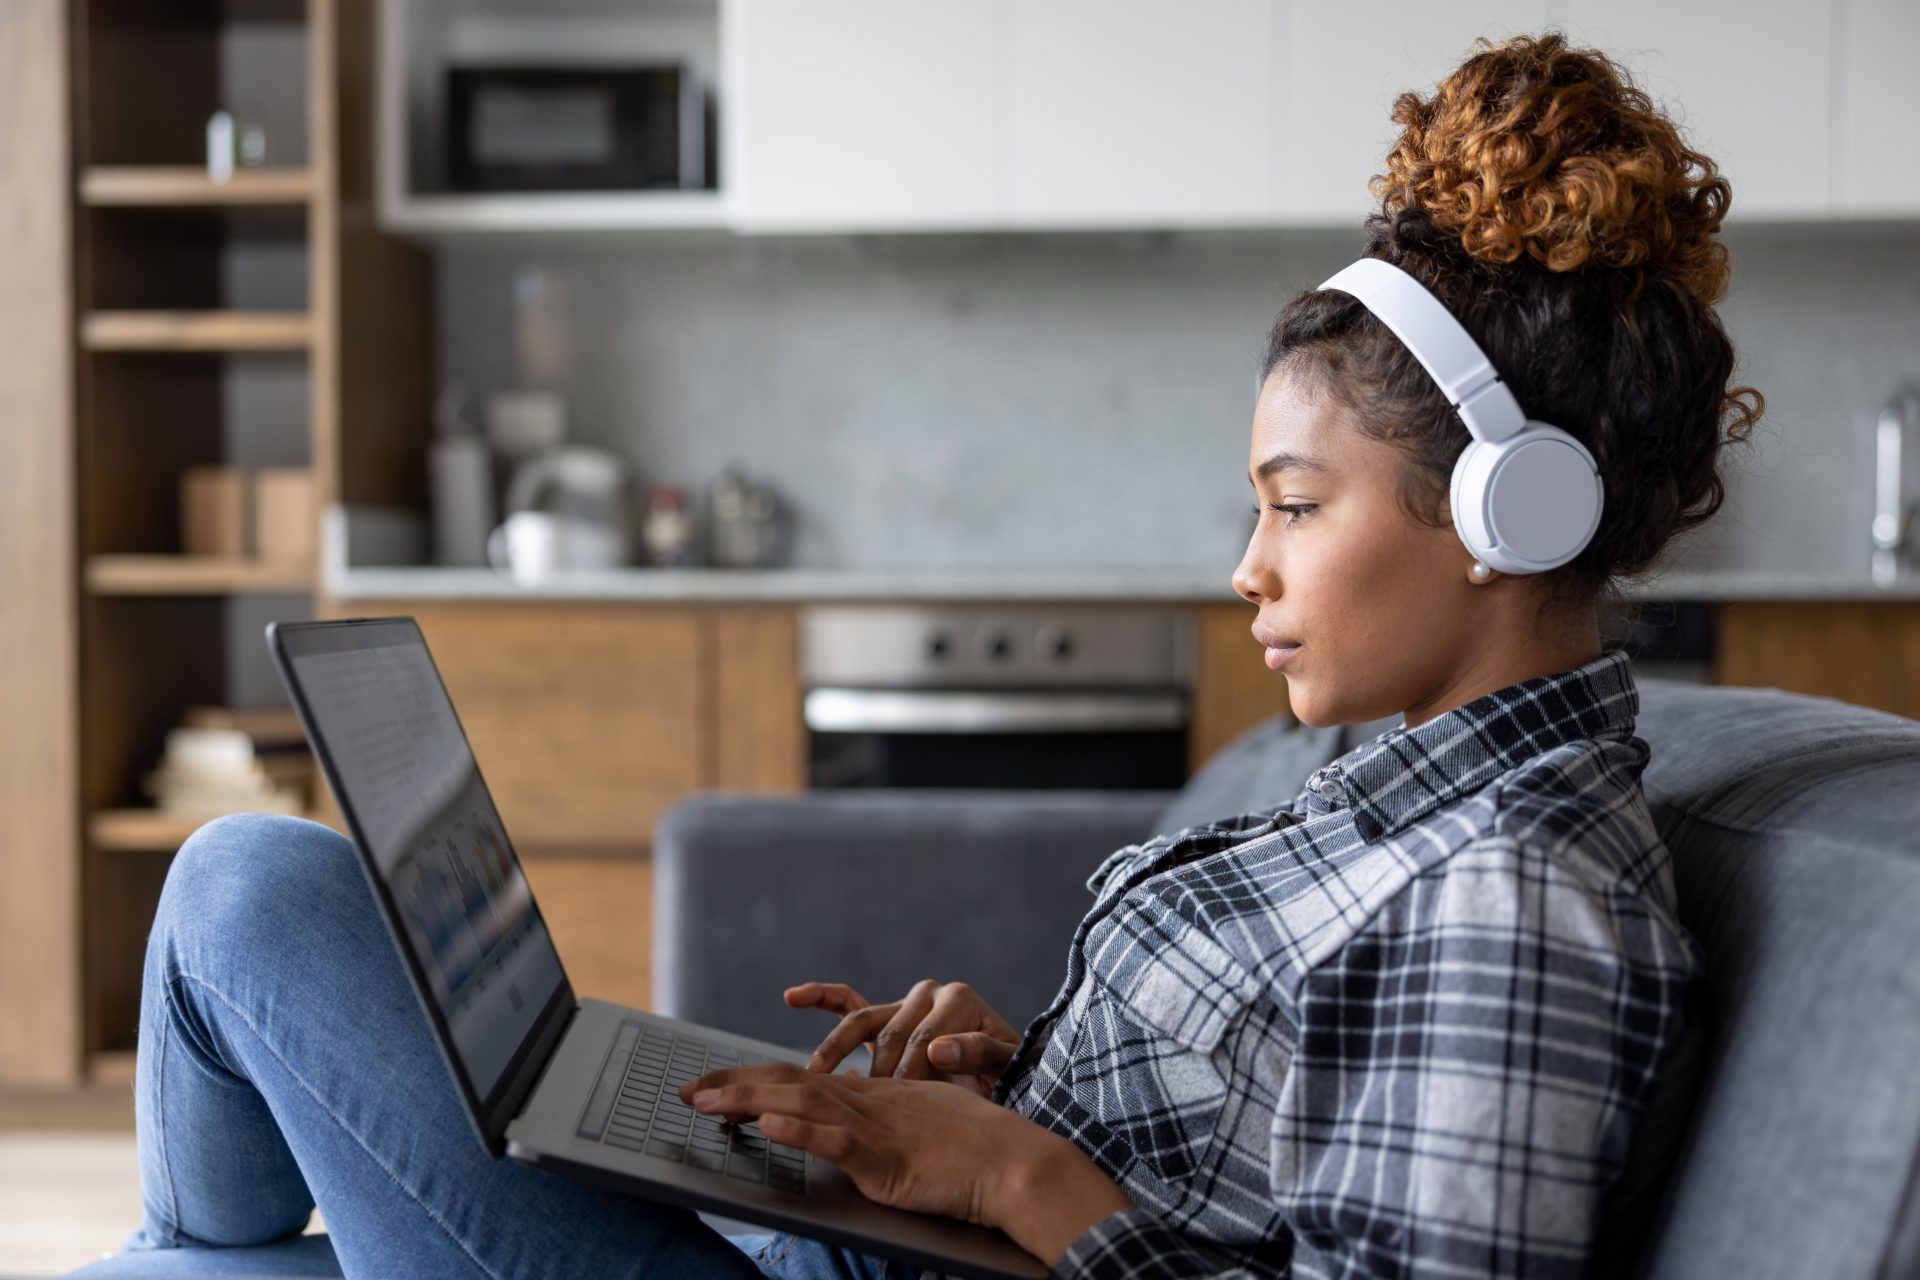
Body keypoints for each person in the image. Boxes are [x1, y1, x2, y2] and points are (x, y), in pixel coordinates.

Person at [74, 31, 1758, 1280]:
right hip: (845, 1249)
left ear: (1504, 517)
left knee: (244, 901)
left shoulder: (1516, 898)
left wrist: (1019, 1180)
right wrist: (1020, 1071)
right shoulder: (1406, 803)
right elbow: (1253, 1138)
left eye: (1297, 508)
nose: (1248, 569)